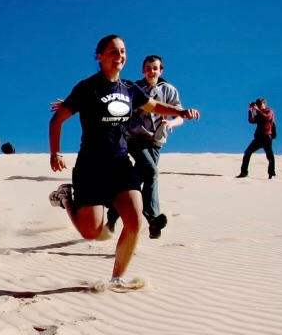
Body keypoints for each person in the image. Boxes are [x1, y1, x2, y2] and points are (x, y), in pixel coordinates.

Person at [48, 35, 200, 286]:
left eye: (122, 51)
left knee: (134, 221)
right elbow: (57, 121)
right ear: (99, 56)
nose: (119, 56)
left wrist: (180, 112)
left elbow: (154, 106)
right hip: (90, 166)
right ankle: (65, 197)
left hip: (119, 163)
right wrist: (55, 154)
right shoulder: (87, 88)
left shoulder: (129, 88)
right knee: (91, 232)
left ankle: (116, 278)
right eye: (112, 51)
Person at [104, 55, 188, 239]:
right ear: (143, 70)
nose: (151, 71)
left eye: (155, 68)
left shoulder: (169, 90)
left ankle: (112, 215)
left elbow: (179, 114)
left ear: (161, 70)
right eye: (148, 68)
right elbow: (113, 105)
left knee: (135, 181)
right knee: (152, 172)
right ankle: (153, 220)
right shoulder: (134, 89)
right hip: (134, 139)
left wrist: (172, 124)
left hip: (156, 142)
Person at [238, 98, 276, 179]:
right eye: (257, 104)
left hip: (266, 137)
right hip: (258, 138)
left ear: (264, 103)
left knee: (270, 156)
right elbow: (252, 120)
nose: (259, 105)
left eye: (260, 104)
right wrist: (250, 110)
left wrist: (257, 110)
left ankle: (271, 173)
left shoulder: (269, 111)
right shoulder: (259, 113)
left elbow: (266, 118)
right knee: (247, 153)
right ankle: (244, 172)